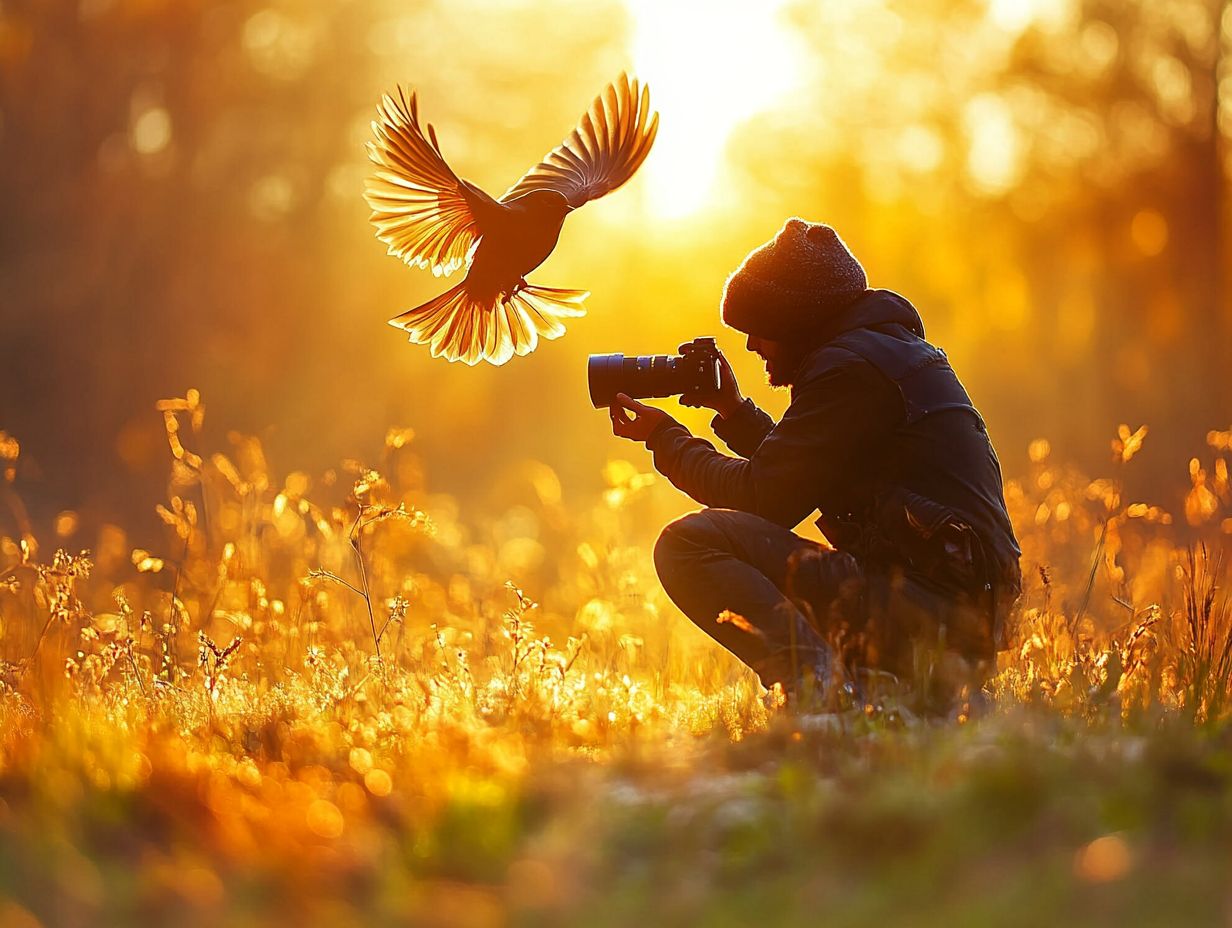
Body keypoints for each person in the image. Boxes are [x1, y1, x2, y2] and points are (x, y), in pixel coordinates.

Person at [609, 218, 1021, 701]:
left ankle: (825, 694)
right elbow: (806, 470)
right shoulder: (884, 355)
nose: (750, 345)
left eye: (759, 329)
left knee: (687, 544)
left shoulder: (849, 369)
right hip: (948, 612)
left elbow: (763, 498)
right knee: (718, 540)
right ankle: (869, 683)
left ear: (792, 321)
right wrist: (734, 412)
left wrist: (665, 437)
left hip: (931, 614)